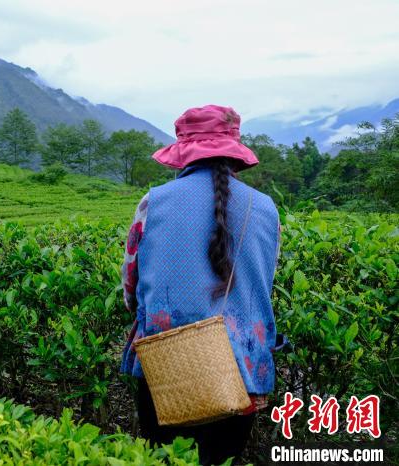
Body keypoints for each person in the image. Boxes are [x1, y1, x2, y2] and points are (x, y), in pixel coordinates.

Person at [120, 105, 283, 466]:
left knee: (166, 459)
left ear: (183, 154)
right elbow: (264, 283)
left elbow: (131, 283)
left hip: (169, 366)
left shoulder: (154, 202)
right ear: (234, 151)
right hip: (242, 369)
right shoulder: (267, 209)